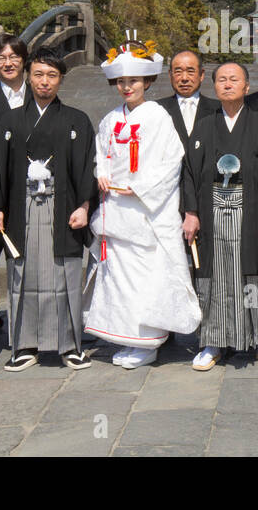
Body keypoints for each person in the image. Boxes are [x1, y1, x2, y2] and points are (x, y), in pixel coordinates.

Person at [0, 49, 97, 371]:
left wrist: (84, 206)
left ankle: (69, 346)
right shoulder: (10, 122)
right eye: (39, 74)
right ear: (28, 75)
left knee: (64, 275)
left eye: (52, 75)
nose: (44, 82)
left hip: (62, 207)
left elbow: (85, 169)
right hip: (20, 208)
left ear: (61, 80)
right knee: (21, 275)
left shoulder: (77, 121)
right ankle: (25, 345)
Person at [84, 42, 201, 368]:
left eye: (134, 81)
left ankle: (148, 341)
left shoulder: (158, 116)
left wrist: (141, 188)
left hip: (148, 210)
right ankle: (123, 336)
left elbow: (172, 161)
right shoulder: (109, 119)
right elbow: (101, 154)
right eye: (121, 81)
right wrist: (102, 174)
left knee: (146, 278)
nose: (127, 87)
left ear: (147, 82)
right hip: (117, 209)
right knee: (119, 278)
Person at [182, 62, 258, 370]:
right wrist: (191, 212)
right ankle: (212, 341)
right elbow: (190, 173)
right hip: (211, 213)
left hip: (253, 213)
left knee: (254, 274)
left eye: (234, 79)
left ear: (247, 87)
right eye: (222, 80)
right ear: (215, 86)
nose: (228, 84)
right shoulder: (205, 126)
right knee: (213, 276)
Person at [156, 48, 220, 140]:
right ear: (170, 75)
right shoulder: (157, 109)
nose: (184, 78)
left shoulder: (219, 109)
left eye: (190, 71)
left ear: (201, 75)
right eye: (178, 72)